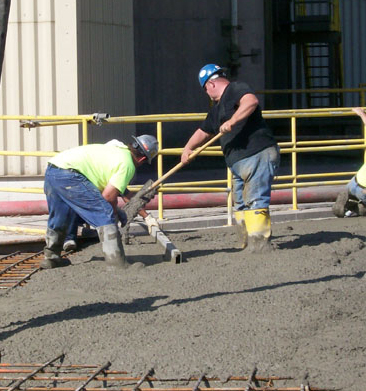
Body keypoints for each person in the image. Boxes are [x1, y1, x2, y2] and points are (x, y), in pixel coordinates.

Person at [181, 64, 280, 252]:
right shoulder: (216, 110)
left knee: (255, 198)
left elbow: (250, 102)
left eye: (205, 90)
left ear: (210, 84)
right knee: (241, 202)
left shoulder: (236, 88)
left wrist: (233, 121)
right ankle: (246, 242)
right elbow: (203, 131)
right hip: (238, 162)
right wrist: (188, 148)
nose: (207, 94)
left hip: (256, 153)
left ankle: (259, 243)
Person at [41, 135, 159, 269]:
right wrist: (114, 215)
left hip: (53, 169)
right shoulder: (127, 165)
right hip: (70, 175)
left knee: (60, 215)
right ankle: (117, 263)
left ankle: (51, 258)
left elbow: (120, 191)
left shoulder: (115, 148)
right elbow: (108, 197)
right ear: (143, 159)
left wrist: (123, 211)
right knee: (105, 213)